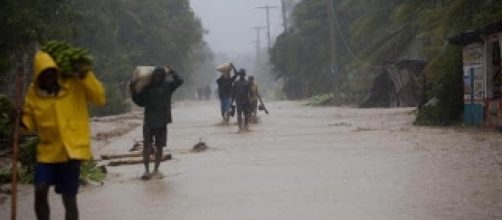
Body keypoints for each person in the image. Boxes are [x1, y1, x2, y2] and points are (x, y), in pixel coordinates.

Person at [22, 51, 106, 220]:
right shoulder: (34, 92)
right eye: (44, 76)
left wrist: (85, 74)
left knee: (69, 199)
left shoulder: (74, 83)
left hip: (71, 152)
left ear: (56, 72)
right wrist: (18, 120)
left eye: (51, 74)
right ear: (39, 77)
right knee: (40, 188)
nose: (49, 79)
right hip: (47, 152)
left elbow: (100, 98)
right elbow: (28, 123)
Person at [130, 66, 183, 180]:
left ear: (163, 77)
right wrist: (133, 89)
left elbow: (180, 80)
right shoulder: (150, 88)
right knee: (150, 146)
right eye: (155, 76)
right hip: (151, 122)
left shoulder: (167, 86)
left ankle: (153, 170)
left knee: (156, 146)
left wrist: (172, 70)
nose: (157, 78)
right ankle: (149, 170)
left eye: (160, 76)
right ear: (152, 77)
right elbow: (140, 102)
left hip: (158, 122)